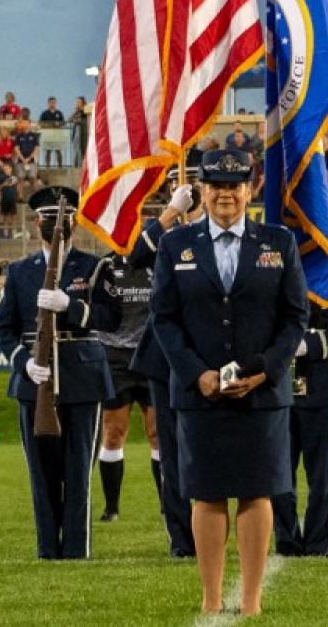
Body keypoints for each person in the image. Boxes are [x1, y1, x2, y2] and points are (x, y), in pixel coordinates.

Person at [148, 149, 308, 614]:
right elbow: (164, 318)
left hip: (262, 395)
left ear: (250, 190)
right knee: (207, 493)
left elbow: (295, 318)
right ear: (202, 190)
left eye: (235, 185)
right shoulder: (175, 246)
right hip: (201, 395)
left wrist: (264, 370)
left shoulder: (278, 243)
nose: (225, 193)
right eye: (216, 185)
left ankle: (253, 599)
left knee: (257, 491)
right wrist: (197, 373)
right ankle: (212, 597)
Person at [0, 187, 115, 561]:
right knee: (42, 476)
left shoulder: (94, 267)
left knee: (78, 473)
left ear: (74, 222)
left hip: (81, 377)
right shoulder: (19, 272)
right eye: (50, 218)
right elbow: (4, 329)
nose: (57, 224)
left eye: (64, 218)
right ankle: (48, 549)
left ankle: (76, 550)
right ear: (36, 223)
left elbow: (110, 319)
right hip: (36, 381)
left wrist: (71, 307)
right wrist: (23, 363)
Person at [128, 171, 202, 559]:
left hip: (212, 354)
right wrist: (172, 213)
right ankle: (181, 538)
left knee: (212, 446)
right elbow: (135, 258)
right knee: (171, 452)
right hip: (165, 356)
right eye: (178, 186)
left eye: (191, 186)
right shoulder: (164, 233)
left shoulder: (222, 231)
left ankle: (215, 528)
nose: (187, 191)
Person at [272, 261, 328, 556]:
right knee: (279, 471)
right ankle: (286, 540)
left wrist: (311, 344)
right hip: (280, 383)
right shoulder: (270, 265)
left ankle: (318, 543)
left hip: (320, 383)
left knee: (321, 474)